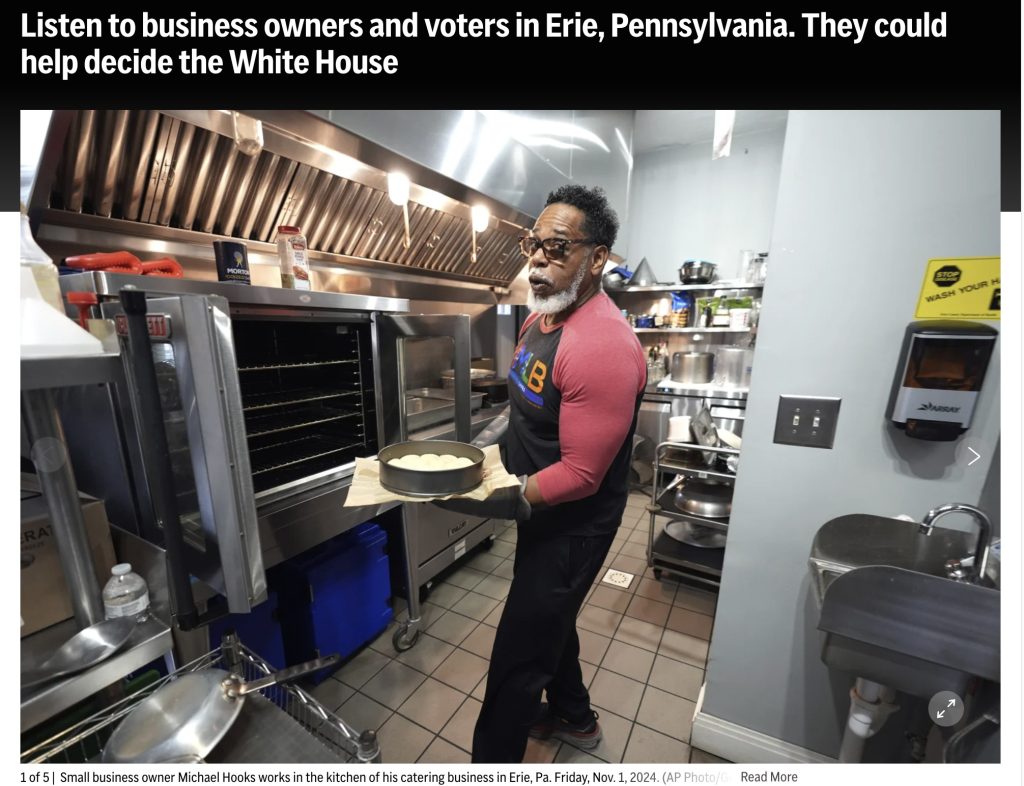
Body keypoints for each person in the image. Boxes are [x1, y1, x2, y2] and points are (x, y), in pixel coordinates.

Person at [436, 184, 647, 762]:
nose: (536, 259)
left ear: (597, 258)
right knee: (551, 620)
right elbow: (521, 410)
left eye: (557, 248)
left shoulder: (601, 345)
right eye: (534, 244)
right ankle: (576, 720)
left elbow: (580, 474)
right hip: (541, 515)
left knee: (517, 660)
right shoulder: (540, 323)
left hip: (574, 528)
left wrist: (486, 496)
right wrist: (476, 454)